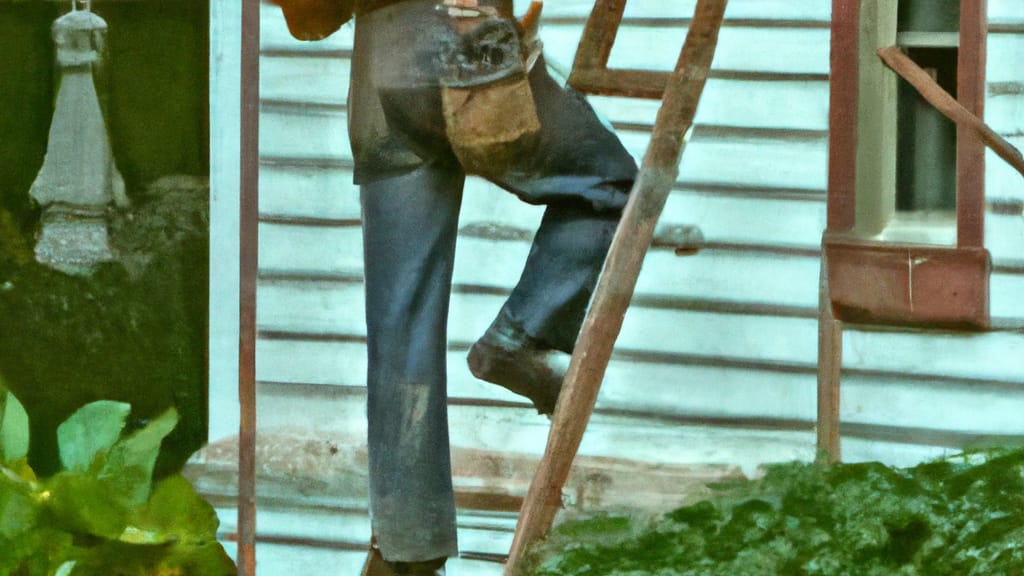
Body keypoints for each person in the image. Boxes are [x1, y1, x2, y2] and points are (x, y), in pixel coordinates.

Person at [271, 1, 637, 574]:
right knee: (612, 183)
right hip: (458, 45)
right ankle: (520, 337)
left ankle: (406, 552)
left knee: (402, 322)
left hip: (382, 78)